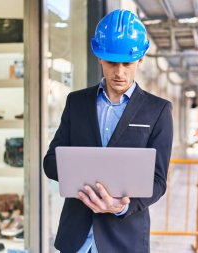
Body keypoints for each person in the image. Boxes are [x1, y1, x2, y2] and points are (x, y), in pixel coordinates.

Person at [43, 9, 173, 253]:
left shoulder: (158, 111)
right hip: (76, 238)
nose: (120, 72)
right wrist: (80, 175)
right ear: (100, 57)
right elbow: (50, 162)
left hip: (124, 240)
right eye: (112, 62)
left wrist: (121, 206)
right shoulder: (76, 103)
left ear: (140, 59)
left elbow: (158, 181)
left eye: (128, 63)